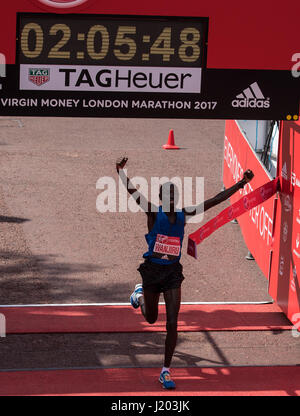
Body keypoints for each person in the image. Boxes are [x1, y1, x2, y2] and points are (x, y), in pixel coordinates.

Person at [116, 156, 254, 389]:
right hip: (151, 272)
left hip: (171, 274)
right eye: (167, 196)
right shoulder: (152, 212)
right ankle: (138, 296)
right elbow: (132, 192)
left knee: (172, 323)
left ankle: (165, 371)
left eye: (174, 196)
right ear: (161, 198)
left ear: (176, 199)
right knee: (151, 319)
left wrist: (242, 183)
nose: (171, 199)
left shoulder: (184, 214)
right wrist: (120, 171)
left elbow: (216, 199)